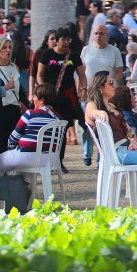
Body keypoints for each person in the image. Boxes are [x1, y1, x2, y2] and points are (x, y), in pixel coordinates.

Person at [37, 27, 87, 169]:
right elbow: (40, 74)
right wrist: (43, 89)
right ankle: (46, 159)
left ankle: (59, 160)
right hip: (49, 97)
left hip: (67, 96)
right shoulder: (46, 54)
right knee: (47, 128)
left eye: (68, 39)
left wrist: (83, 88)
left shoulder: (73, 56)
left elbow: (82, 75)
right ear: (56, 41)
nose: (66, 42)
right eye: (63, 39)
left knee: (63, 128)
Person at [0, 82, 61, 174]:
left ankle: (1, 187)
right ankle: (23, 185)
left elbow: (13, 138)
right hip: (51, 159)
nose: (32, 99)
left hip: (27, 158)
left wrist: (11, 149)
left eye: (34, 96)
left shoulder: (30, 114)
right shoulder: (58, 118)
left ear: (41, 100)